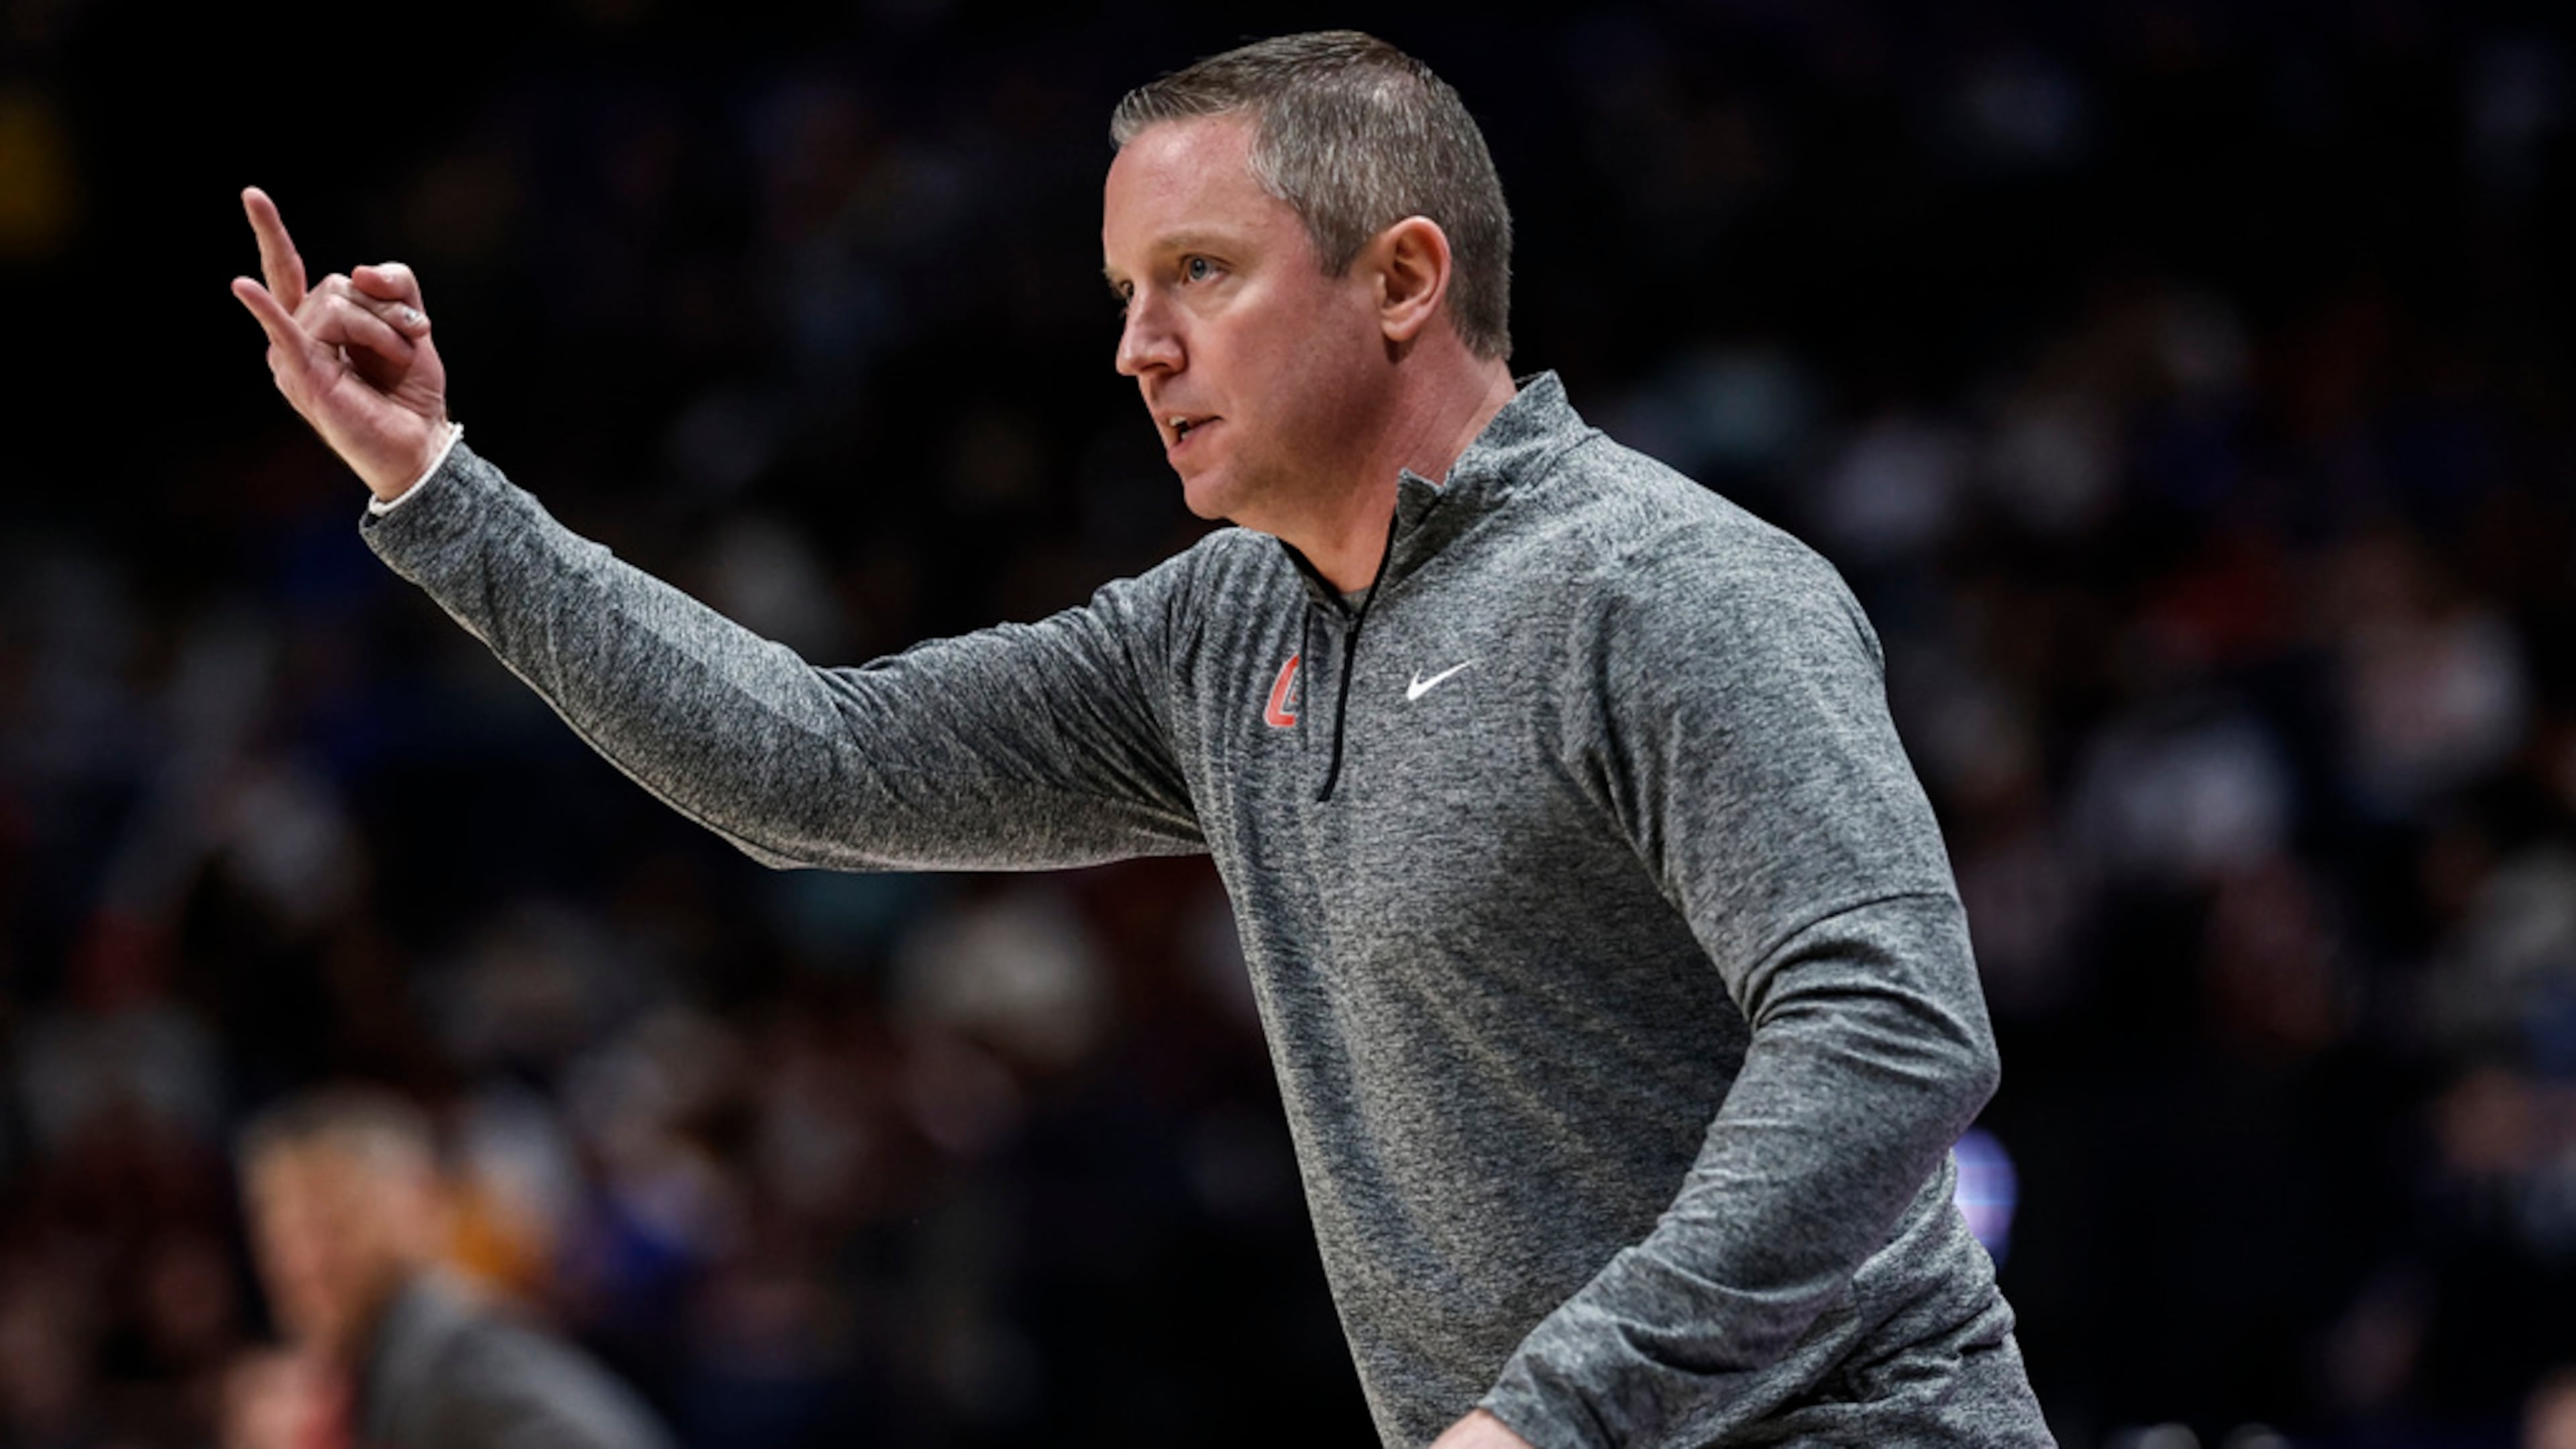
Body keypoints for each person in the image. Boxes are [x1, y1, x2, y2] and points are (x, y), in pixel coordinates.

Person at [229, 30, 2053, 1448]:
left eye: (1197, 273)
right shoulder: (1220, 634)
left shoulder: (1664, 586)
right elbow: (813, 770)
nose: (1136, 349)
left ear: (1402, 277)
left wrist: (1562, 1408)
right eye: (1125, 293)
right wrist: (437, 486)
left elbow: (1889, 1031)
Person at [235, 1087, 676, 1449]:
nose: (303, 1260)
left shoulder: (456, 1362)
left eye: (334, 1224)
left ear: (419, 1205)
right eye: (280, 1231)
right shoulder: (383, 1371)